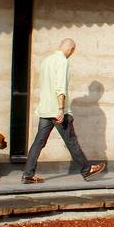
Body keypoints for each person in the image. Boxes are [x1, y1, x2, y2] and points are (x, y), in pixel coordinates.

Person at [21, 38, 106, 184]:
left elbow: (45, 85)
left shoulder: (46, 61)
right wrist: (61, 109)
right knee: (71, 141)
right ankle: (87, 170)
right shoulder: (63, 61)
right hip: (57, 110)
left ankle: (28, 174)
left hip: (45, 109)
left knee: (38, 142)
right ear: (71, 49)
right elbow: (60, 86)